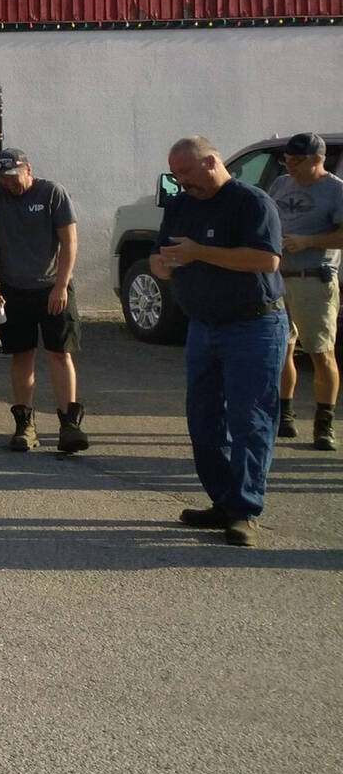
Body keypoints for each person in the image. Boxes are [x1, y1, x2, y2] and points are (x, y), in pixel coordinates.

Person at [152, 135, 288, 547]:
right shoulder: (180, 205)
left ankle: (245, 511)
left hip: (253, 325)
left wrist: (198, 253)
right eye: (175, 175)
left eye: (187, 173)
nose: (181, 182)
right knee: (204, 420)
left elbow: (267, 260)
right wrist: (165, 265)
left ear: (211, 162)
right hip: (203, 327)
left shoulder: (251, 202)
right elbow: (160, 260)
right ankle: (223, 501)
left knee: (250, 420)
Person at [0, 147, 84, 452]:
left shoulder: (52, 194)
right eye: (3, 177)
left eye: (13, 176)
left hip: (52, 287)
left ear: (28, 169)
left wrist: (61, 285)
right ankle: (25, 425)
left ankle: (69, 425)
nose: (8, 182)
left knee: (59, 353)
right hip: (14, 289)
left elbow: (69, 242)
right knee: (22, 354)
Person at [270, 133, 342, 451]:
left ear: (318, 159)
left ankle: (324, 424)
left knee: (320, 352)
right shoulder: (281, 184)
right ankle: (284, 415)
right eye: (287, 161)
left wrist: (308, 241)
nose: (291, 167)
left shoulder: (335, 190)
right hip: (277, 277)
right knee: (282, 350)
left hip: (313, 278)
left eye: (298, 162)